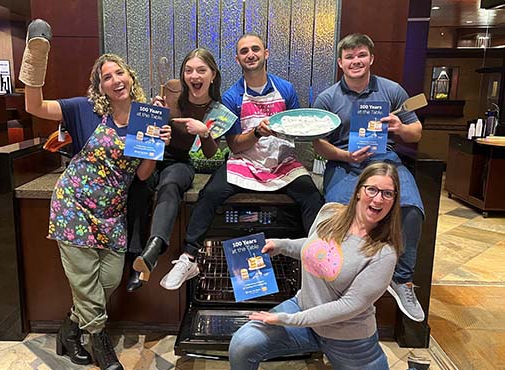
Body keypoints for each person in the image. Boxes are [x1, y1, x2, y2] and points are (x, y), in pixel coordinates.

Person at [19, 20, 171, 370]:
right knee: (85, 282)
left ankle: (69, 331)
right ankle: (99, 342)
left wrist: (156, 146)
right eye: (107, 77)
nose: (115, 80)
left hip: (112, 211)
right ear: (100, 86)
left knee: (108, 280)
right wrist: (35, 59)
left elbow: (142, 175)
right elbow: (35, 106)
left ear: (130, 77)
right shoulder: (85, 109)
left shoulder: (147, 117)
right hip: (73, 205)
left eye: (120, 73)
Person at [159, 33, 324, 290]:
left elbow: (296, 130)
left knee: (311, 195)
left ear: (266, 53)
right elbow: (235, 144)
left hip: (282, 162)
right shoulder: (232, 97)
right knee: (211, 192)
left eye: (255, 49)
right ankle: (188, 257)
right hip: (245, 162)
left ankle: (319, 260)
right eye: (244, 51)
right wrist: (257, 132)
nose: (250, 54)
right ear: (238, 59)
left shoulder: (286, 90)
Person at [229, 162, 402, 370]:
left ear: (394, 201)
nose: (377, 199)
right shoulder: (330, 214)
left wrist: (288, 319)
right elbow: (315, 249)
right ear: (358, 191)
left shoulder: (384, 253)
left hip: (348, 339)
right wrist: (281, 245)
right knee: (242, 344)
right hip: (304, 309)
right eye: (372, 189)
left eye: (387, 194)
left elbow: (348, 306)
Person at [313, 33, 425, 322]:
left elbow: (417, 132)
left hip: (385, 162)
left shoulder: (392, 91)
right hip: (345, 166)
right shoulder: (328, 97)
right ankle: (336, 279)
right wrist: (345, 156)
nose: (356, 61)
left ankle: (402, 280)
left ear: (371, 58)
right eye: (349, 57)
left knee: (411, 209)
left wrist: (400, 127)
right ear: (340, 62)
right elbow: (318, 144)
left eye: (361, 55)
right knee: (336, 214)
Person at [125, 48, 221, 290]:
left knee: (171, 185)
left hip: (179, 161)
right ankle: (135, 258)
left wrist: (204, 131)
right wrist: (154, 112)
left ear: (213, 75)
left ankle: (153, 249)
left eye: (201, 70)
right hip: (152, 155)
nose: (194, 76)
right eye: (188, 70)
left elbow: (211, 152)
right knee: (138, 188)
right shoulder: (170, 89)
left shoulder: (216, 109)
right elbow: (147, 126)